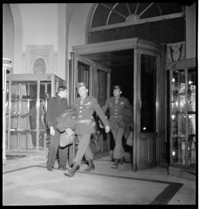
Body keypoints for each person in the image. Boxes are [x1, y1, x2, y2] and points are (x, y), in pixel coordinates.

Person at [64, 82, 110, 177]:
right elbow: (71, 114)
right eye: (79, 89)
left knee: (81, 147)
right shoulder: (76, 101)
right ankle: (91, 164)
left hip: (88, 127)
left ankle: (74, 167)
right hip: (78, 127)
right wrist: (68, 126)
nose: (81, 91)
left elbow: (100, 112)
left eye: (83, 89)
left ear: (87, 90)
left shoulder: (92, 100)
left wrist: (106, 124)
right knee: (85, 147)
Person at [102, 85, 131, 169]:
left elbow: (129, 111)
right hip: (112, 123)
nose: (115, 92)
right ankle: (122, 157)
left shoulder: (124, 100)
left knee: (118, 140)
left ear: (120, 92)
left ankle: (116, 161)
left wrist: (128, 121)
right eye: (114, 90)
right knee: (117, 141)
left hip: (122, 123)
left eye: (117, 90)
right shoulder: (109, 100)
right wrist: (99, 114)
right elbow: (104, 108)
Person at [46, 86, 69, 171]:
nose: (66, 93)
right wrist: (51, 127)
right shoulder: (52, 100)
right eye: (65, 92)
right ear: (61, 91)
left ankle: (62, 165)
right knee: (53, 146)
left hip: (63, 127)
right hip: (54, 127)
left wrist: (67, 127)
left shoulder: (65, 101)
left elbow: (67, 114)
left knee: (64, 146)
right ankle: (50, 165)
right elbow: (49, 114)